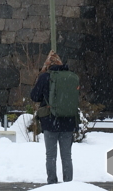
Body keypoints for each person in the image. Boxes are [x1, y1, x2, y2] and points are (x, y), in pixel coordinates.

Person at [30, 51, 78, 184]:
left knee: (51, 156)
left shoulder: (45, 77)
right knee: (67, 157)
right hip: (68, 121)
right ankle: (69, 184)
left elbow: (34, 96)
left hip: (50, 122)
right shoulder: (71, 76)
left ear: (48, 64)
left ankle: (52, 184)